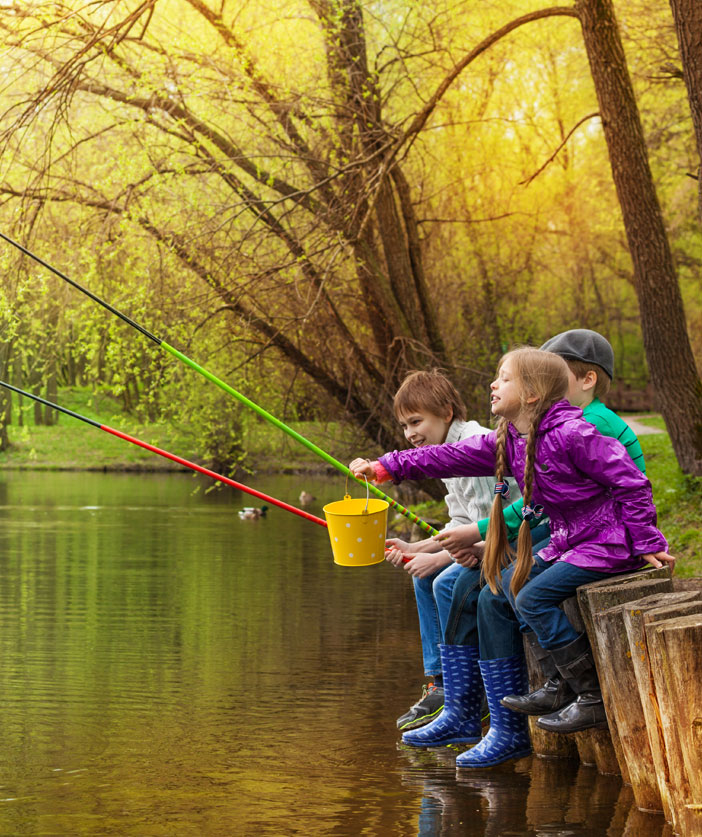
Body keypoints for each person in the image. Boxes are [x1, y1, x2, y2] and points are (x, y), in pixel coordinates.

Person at [350, 346, 674, 768]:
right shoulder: (514, 439)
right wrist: (387, 467)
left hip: (604, 543)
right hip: (569, 540)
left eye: (504, 377)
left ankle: (588, 690)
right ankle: (549, 690)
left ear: (534, 393)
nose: (492, 383)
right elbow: (445, 456)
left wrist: (646, 540)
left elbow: (631, 483)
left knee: (528, 597)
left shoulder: (576, 434)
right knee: (511, 588)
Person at [384, 370, 518, 736]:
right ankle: (440, 682)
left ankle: (465, 694)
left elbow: (481, 529)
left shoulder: (472, 447)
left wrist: (437, 557)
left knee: (443, 583)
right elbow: (459, 519)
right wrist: (416, 548)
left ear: (445, 413)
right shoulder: (446, 453)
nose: (410, 433)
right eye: (404, 425)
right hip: (482, 542)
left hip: (514, 543)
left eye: (416, 421)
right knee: (425, 577)